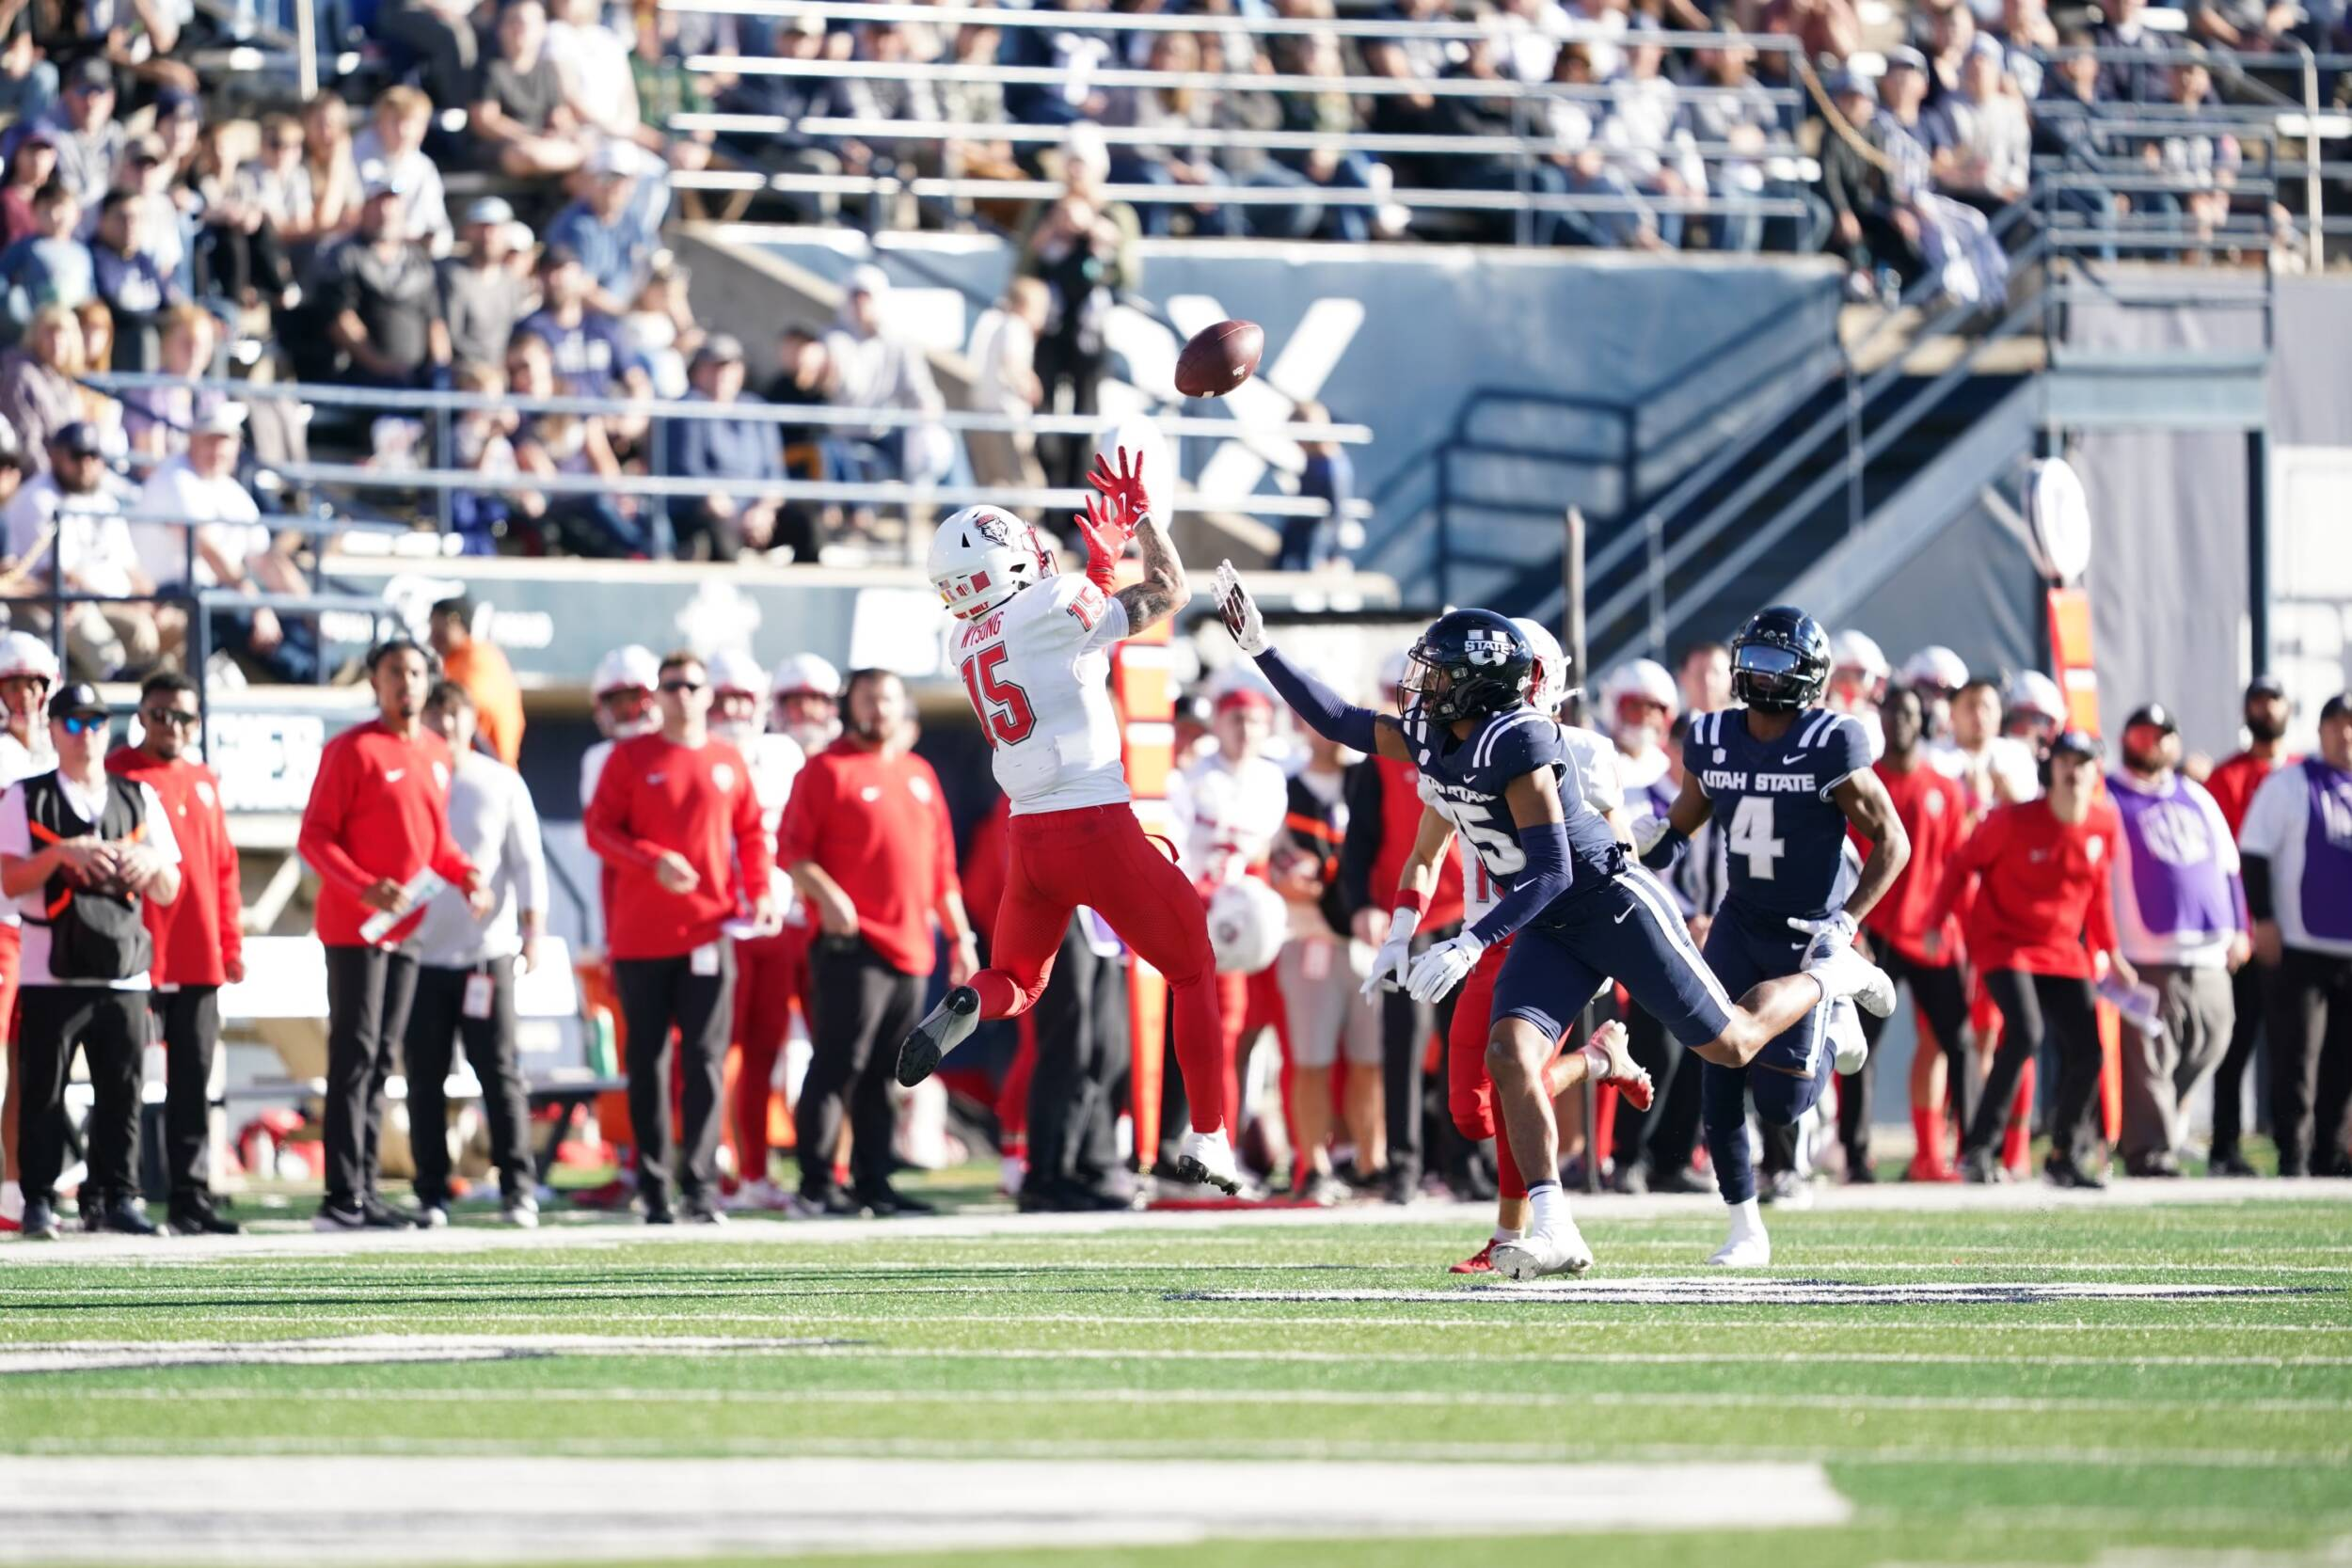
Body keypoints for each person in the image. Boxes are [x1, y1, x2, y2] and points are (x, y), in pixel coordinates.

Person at [1224, 585, 1899, 1279]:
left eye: (1441, 674)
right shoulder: (1433, 733)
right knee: (1510, 1054)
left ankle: (1830, 980)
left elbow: (1550, 869)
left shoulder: (1520, 738)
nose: (1423, 687)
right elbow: (1341, 720)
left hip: (1611, 907)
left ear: (1481, 687)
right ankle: (1553, 1226)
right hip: (1548, 923)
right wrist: (1263, 649)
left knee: (1730, 1044)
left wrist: (1468, 941)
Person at [893, 451, 1246, 1194]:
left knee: (1015, 979)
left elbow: (1069, 632)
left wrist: (1096, 567)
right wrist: (1140, 518)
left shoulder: (967, 642)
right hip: (1094, 821)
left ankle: (966, 1001)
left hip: (1032, 839)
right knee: (1192, 967)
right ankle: (1210, 1136)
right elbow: (1170, 591)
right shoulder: (1051, 604)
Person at [1638, 607, 1910, 1265]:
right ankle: (1744, 1228)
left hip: (1808, 931)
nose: (1762, 677)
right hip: (1739, 921)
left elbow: (1893, 843)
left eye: (1778, 665)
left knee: (1782, 1105)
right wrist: (1643, 846)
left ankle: (1835, 990)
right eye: (1754, 662)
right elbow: (1684, 820)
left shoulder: (1832, 741)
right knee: (1718, 1065)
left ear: (1809, 675)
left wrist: (1845, 924)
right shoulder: (1712, 736)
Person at [1415, 620, 1636, 1272]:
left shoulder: (1585, 751)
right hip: (1483, 938)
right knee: (1470, 1111)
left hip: (1552, 937)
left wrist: (1603, 945)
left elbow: (1616, 858)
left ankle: (1514, 1231)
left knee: (1516, 1076)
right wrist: (1399, 932)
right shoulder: (1454, 745)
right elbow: (1425, 851)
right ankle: (1597, 1063)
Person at [297, 638, 485, 1232]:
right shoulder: (350, 750)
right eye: (393, 673)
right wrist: (363, 886)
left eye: (414, 672)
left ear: (429, 682)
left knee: (382, 1059)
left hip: (407, 929)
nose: (405, 683)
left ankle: (366, 1192)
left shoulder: (436, 752)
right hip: (354, 928)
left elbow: (437, 843)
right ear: (375, 683)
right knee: (353, 1058)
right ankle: (340, 1197)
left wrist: (467, 873)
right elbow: (315, 838)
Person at [583, 651, 775, 1223]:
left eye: (691, 685)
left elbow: (752, 834)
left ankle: (699, 1189)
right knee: (647, 1063)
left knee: (706, 1062)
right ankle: (652, 1186)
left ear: (707, 694)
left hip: (708, 934)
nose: (681, 694)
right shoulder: (628, 757)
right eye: (670, 686)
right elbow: (599, 830)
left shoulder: (728, 760)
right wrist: (652, 860)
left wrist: (762, 891)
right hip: (641, 939)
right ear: (656, 695)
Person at [784, 668, 973, 1215]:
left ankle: (875, 1183)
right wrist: (830, 897)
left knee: (887, 1074)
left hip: (913, 947)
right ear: (850, 706)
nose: (879, 709)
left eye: (887, 699)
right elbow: (793, 854)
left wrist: (961, 937)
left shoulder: (919, 773)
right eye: (868, 699)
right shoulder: (825, 770)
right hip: (852, 944)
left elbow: (943, 872)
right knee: (838, 1064)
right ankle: (816, 1185)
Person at [1, 679, 182, 1240]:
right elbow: (9, 881)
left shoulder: (138, 796)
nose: (87, 735)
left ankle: (116, 1198)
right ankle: (37, 1197)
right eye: (74, 723)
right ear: (53, 731)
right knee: (42, 1091)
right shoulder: (24, 796)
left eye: (97, 723)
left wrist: (147, 865)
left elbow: (172, 886)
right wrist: (61, 853)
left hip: (124, 967)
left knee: (122, 1090)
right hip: (50, 968)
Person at [1927, 728, 2134, 1187]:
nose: (2073, 770)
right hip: (2004, 943)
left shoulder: (2103, 823)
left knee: (2090, 1051)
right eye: (2065, 760)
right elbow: (1962, 863)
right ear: (2050, 767)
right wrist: (1935, 922)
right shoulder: (2012, 821)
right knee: (2025, 1032)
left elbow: (2097, 896)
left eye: (2083, 762)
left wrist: (2112, 953)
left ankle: (2063, 1156)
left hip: (2062, 951)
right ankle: (1978, 1150)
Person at [100, 671, 239, 1235]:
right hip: (134, 952)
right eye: (159, 714)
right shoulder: (115, 774)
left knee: (194, 1082)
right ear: (141, 716)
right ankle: (115, 1193)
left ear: (197, 722)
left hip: (198, 953)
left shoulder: (204, 779)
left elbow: (224, 868)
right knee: (123, 1078)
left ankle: (191, 1197)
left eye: (182, 716)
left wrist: (231, 943)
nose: (171, 725)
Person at [408, 681, 547, 1229]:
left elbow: (527, 862)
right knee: (425, 1078)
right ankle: (431, 1193)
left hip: (485, 955)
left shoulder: (500, 783)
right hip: (420, 956)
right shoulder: (415, 775)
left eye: (454, 714)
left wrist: (532, 933)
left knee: (499, 1073)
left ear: (472, 721)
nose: (444, 725)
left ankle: (518, 1189)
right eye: (434, 714)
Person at [1338, 651, 1466, 1205]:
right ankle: (1405, 1167)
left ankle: (1470, 1166)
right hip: (1406, 921)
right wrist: (1362, 903)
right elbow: (1359, 841)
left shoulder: (1469, 745)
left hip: (1467, 919)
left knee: (1468, 1044)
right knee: (1403, 1045)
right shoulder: (1380, 759)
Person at [2107, 702, 2247, 1178]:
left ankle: (2159, 1129)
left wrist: (2241, 928)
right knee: (2149, 1058)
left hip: (2208, 949)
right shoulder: (2108, 794)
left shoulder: (2195, 795)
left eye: (2162, 734)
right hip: (2144, 951)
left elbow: (2230, 868)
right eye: (2143, 733)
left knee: (2213, 1038)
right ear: (2127, 739)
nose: (2153, 742)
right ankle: (2149, 1152)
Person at [1851, 684, 1974, 1181]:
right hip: (1875, 934)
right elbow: (1849, 858)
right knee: (1859, 1049)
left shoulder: (1944, 788)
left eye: (1906, 713)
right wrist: (1852, 926)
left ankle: (1973, 1150)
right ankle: (1857, 1157)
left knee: (1959, 1041)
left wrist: (1950, 926)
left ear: (1922, 720)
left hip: (1929, 934)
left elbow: (1956, 865)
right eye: (1889, 712)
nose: (1897, 721)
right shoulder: (1861, 783)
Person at [1168, 683, 1289, 1161]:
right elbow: (1173, 853)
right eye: (1236, 720)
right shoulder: (1193, 779)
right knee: (1179, 1036)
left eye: (1254, 721)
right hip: (1184, 917)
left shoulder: (1270, 782)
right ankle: (1165, 1144)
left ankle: (1222, 1150)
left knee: (1226, 1037)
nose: (1245, 731)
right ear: (1219, 724)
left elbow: (1260, 855)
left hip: (1232, 929)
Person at [703, 649, 803, 1211]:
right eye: (725, 698)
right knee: (712, 1053)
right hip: (720, 923)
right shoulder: (699, 755)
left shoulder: (780, 753)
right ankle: (708, 1166)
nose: (735, 709)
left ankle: (756, 1170)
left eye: (744, 697)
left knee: (767, 1051)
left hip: (779, 919)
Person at [2236, 692, 2352, 1179]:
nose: (2347, 736)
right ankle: (2295, 1156)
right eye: (2339, 726)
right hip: (2299, 945)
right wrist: (2262, 918)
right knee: (2297, 1056)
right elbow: (2254, 853)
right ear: (2322, 731)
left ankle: (2332, 1153)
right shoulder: (2289, 785)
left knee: (2343, 1061)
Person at [1270, 723, 1379, 1204]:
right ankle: (1311, 1161)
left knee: (1370, 1062)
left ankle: (1371, 1159)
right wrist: (1284, 873)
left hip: (1366, 939)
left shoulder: (1367, 781)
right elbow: (1268, 855)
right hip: (1309, 934)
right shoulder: (1283, 787)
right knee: (1311, 1060)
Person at [2202, 674, 2294, 1176]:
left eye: (2273, 699)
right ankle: (2224, 1147)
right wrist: (2240, 924)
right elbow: (2222, 863)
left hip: (2298, 933)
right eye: (2257, 700)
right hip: (2245, 932)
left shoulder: (2304, 773)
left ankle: (2295, 1145)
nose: (2266, 708)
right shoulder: (2227, 777)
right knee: (2233, 1045)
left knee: (2294, 1048)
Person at [6, 420, 161, 681]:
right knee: (72, 607)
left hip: (109, 600)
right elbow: (54, 574)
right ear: (55, 456)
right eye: (77, 455)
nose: (86, 463)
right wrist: (107, 596)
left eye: (93, 455)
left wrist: (147, 597)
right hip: (57, 603)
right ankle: (115, 679)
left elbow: (130, 564)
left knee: (158, 624)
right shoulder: (37, 498)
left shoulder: (103, 498)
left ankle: (158, 690)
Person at [0, 631, 56, 1236]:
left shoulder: (54, 757)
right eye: (13, 683)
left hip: (45, 929)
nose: (24, 695)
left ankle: (15, 1193)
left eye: (34, 683)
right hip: (2, 924)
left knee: (31, 1068)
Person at [315, 172, 448, 389]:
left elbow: (435, 321)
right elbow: (340, 318)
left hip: (418, 379)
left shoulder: (419, 261)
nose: (386, 211)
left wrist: (440, 369)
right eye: (378, 203)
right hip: (365, 379)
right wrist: (381, 365)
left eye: (392, 203)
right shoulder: (345, 256)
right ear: (364, 208)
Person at [663, 335, 786, 562]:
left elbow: (774, 472)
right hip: (709, 513)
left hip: (754, 515)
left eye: (730, 367)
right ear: (698, 372)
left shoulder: (756, 408)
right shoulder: (688, 408)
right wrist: (735, 519)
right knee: (715, 530)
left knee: (805, 519)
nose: (723, 375)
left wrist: (763, 510)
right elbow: (691, 471)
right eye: (714, 367)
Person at [427, 596, 524, 768]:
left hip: (489, 766)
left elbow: (472, 705)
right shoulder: (465, 658)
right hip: (486, 764)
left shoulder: (477, 657)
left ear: (454, 622)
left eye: (436, 627)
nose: (432, 638)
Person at [438, 198, 531, 373]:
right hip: (462, 375)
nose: (489, 235)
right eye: (482, 227)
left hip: (500, 375)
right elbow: (451, 337)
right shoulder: (451, 276)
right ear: (468, 230)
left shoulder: (512, 282)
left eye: (496, 228)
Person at [1931, 675, 2039, 811]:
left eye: (1986, 707)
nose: (1979, 715)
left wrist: (2013, 802)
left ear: (2000, 713)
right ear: (1952, 714)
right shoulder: (1932, 759)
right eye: (1970, 706)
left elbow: (2033, 818)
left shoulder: (2019, 757)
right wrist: (1975, 801)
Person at [1676, 640, 1732, 720]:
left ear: (1731, 678)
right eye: (1699, 673)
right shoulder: (1668, 730)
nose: (1708, 682)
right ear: (1682, 678)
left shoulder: (1749, 728)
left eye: (1716, 673)